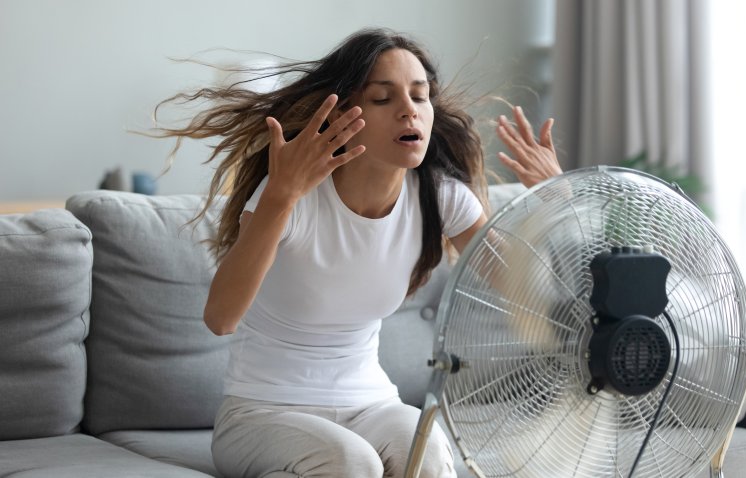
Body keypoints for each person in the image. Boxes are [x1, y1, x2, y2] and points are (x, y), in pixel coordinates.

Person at [153, 27, 561, 478]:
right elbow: (221, 318)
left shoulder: (440, 197)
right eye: (383, 99)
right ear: (345, 114)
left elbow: (531, 296)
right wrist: (280, 197)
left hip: (372, 404)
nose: (409, 110)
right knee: (352, 463)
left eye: (420, 96)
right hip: (264, 412)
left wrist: (557, 201)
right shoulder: (292, 195)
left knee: (426, 454)